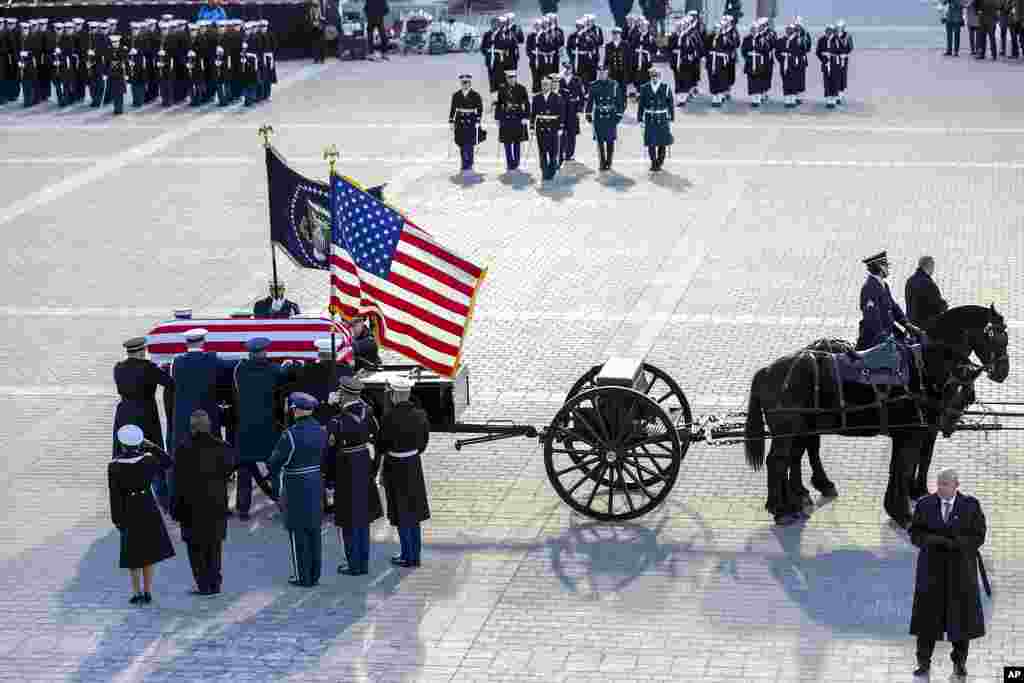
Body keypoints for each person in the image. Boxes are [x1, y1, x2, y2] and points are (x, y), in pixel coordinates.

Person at [909, 469, 987, 678]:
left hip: (960, 573)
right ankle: (923, 663)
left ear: (956, 485)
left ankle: (959, 663)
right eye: (939, 483)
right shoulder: (925, 504)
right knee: (926, 622)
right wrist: (931, 541)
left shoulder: (971, 505)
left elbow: (979, 535)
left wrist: (958, 544)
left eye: (946, 484)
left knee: (961, 622)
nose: (941, 487)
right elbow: (915, 533)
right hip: (931, 573)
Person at [109, 425, 176, 605]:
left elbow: (114, 496)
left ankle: (136, 592)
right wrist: (152, 446)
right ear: (139, 442)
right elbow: (168, 462)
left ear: (122, 444)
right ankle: (148, 592)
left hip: (128, 508)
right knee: (148, 553)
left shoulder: (114, 466)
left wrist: (117, 520)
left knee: (133, 554)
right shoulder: (148, 460)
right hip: (148, 506)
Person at [172, 410, 236, 595]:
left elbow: (177, 482)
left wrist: (175, 508)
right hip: (216, 506)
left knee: (195, 547)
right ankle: (215, 583)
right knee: (214, 546)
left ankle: (203, 584)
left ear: (192, 428)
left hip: (190, 508)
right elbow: (229, 471)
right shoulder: (222, 447)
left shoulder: (183, 449)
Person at [268, 392, 326, 587]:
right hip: (316, 481)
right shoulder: (321, 430)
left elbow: (275, 463)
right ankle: (315, 573)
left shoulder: (290, 434)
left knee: (297, 530)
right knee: (314, 529)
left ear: (297, 411)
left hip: (296, 484)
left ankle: (303, 576)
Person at [232, 336, 294, 520]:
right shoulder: (274, 370)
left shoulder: (239, 370)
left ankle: (243, 509)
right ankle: (281, 505)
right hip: (268, 427)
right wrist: (290, 363)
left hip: (245, 427)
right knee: (275, 468)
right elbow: (286, 373)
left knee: (244, 469)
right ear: (265, 352)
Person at [328, 377, 383, 576]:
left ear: (344, 394)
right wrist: (374, 469)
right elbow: (378, 442)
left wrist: (329, 480)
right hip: (364, 469)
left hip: (345, 471)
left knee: (348, 522)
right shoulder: (368, 412)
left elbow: (330, 450)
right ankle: (363, 562)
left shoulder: (337, 420)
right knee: (363, 520)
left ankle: (353, 564)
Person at [378, 377, 430, 568]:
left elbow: (382, 445)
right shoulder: (420, 415)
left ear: (393, 394)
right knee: (414, 513)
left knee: (401, 514)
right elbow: (423, 443)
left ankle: (407, 555)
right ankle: (414, 554)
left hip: (395, 466)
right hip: (413, 464)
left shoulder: (388, 418)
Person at [113, 337, 172, 459]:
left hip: (124, 412)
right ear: (142, 351)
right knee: (149, 449)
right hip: (145, 412)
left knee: (124, 446)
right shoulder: (149, 367)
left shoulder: (118, 368)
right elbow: (170, 383)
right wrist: (166, 369)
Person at [856, 252, 922, 350]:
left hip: (889, 331)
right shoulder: (869, 287)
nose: (888, 269)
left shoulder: (884, 285)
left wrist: (907, 324)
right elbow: (872, 316)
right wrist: (883, 336)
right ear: (880, 267)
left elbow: (893, 307)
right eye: (886, 266)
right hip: (874, 338)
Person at [585, 63, 624, 171]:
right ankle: (602, 162)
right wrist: (588, 113)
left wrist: (619, 114)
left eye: (604, 72)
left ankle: (609, 161)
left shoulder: (614, 84)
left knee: (610, 140)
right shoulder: (593, 85)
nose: (602, 74)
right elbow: (590, 101)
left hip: (610, 114)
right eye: (600, 72)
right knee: (600, 140)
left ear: (608, 73)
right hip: (599, 115)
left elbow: (620, 101)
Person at [637, 66, 673, 172]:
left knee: (662, 142)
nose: (654, 78)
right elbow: (641, 104)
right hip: (650, 117)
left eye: (656, 76)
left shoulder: (665, 87)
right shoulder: (645, 87)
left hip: (662, 117)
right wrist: (640, 117)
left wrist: (671, 116)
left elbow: (670, 103)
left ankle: (660, 161)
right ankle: (653, 162)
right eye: (652, 76)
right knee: (651, 142)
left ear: (660, 76)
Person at [496, 69, 531, 172]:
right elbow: (499, 104)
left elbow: (527, 103)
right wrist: (497, 117)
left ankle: (516, 162)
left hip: (517, 117)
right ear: (506, 78)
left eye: (513, 78)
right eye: (509, 78)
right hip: (506, 118)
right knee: (507, 142)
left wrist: (526, 116)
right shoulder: (502, 89)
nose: (511, 80)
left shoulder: (521, 88)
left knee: (517, 142)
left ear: (516, 78)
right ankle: (509, 163)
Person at [449, 73, 484, 174]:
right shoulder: (456, 95)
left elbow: (480, 109)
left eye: (467, 82)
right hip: (460, 121)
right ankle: (464, 163)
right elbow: (453, 109)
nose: (465, 84)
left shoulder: (476, 95)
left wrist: (478, 120)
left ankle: (469, 163)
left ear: (470, 83)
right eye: (463, 83)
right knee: (461, 143)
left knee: (469, 144)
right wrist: (451, 120)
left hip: (471, 121)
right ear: (461, 83)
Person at [531, 75, 563, 181]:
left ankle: (552, 171)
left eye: (547, 84)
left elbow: (561, 114)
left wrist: (560, 127)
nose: (545, 86)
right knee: (543, 152)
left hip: (553, 127)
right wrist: (532, 127)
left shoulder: (557, 97)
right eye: (543, 84)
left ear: (550, 85)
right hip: (541, 128)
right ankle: (544, 172)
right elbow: (533, 114)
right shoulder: (536, 98)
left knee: (553, 152)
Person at [905, 256, 949, 330]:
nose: (933, 269)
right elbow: (935, 305)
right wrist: (944, 305)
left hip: (912, 323)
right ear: (929, 266)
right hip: (927, 325)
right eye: (932, 266)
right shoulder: (928, 283)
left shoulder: (910, 281)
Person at [776, 23, 808, 108]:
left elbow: (803, 50)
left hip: (794, 63)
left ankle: (793, 100)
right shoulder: (781, 40)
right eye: (787, 29)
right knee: (785, 81)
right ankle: (787, 99)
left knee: (794, 81)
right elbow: (777, 52)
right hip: (784, 64)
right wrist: (782, 59)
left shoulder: (799, 40)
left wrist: (793, 57)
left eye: (791, 29)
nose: (789, 31)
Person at [558, 62, 584, 163]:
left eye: (568, 68)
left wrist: (579, 109)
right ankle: (560, 153)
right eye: (565, 68)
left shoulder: (577, 80)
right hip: (562, 110)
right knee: (561, 132)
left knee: (572, 133)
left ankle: (570, 154)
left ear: (571, 69)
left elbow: (581, 96)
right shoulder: (559, 80)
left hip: (573, 109)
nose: (567, 70)